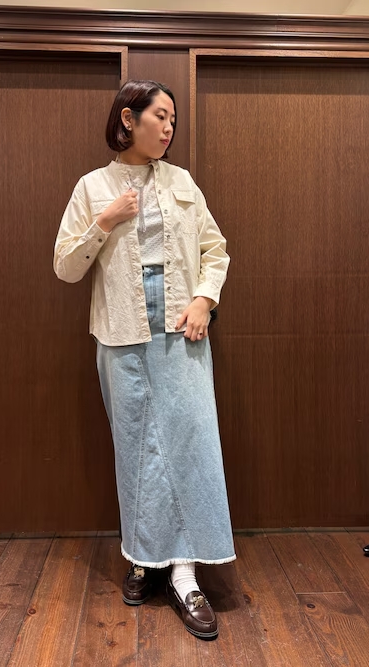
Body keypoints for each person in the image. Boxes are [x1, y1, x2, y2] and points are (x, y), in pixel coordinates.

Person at [54, 80, 235, 640]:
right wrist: (105, 220)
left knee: (190, 443)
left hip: (181, 327)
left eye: (174, 119)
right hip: (120, 331)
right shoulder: (93, 187)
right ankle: (143, 558)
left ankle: (185, 574)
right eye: (161, 116)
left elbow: (215, 249)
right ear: (129, 119)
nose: (169, 127)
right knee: (136, 449)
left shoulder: (182, 182)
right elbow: (65, 267)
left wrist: (204, 299)